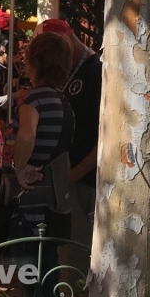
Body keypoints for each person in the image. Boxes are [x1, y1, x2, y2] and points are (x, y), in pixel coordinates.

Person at [11, 31, 73, 297]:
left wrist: (18, 168)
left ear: (36, 62)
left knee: (31, 278)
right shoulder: (63, 101)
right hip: (54, 201)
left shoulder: (33, 98)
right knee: (48, 274)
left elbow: (26, 135)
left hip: (30, 201)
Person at [35, 18, 102, 249]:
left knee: (75, 252)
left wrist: (74, 174)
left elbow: (106, 134)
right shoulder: (65, 71)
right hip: (61, 179)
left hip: (83, 181)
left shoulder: (96, 72)